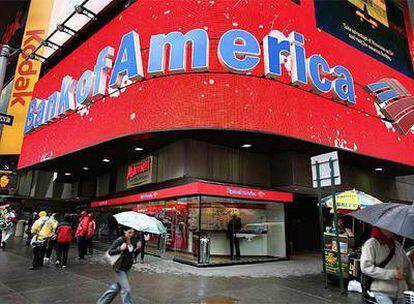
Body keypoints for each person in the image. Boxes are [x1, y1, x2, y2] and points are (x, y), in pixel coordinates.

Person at [361, 226, 414, 304]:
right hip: (381, 290)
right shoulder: (371, 244)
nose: (392, 229)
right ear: (381, 227)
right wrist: (391, 273)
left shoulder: (397, 245)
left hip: (400, 293)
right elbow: (365, 267)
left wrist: (412, 284)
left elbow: (407, 266)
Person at [97, 227, 141, 304]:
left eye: (132, 233)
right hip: (119, 268)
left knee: (116, 287)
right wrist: (120, 248)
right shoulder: (120, 240)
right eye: (129, 232)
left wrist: (138, 248)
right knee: (126, 289)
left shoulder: (133, 240)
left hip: (127, 267)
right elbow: (110, 252)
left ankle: (102, 302)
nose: (131, 234)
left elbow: (132, 253)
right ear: (124, 231)